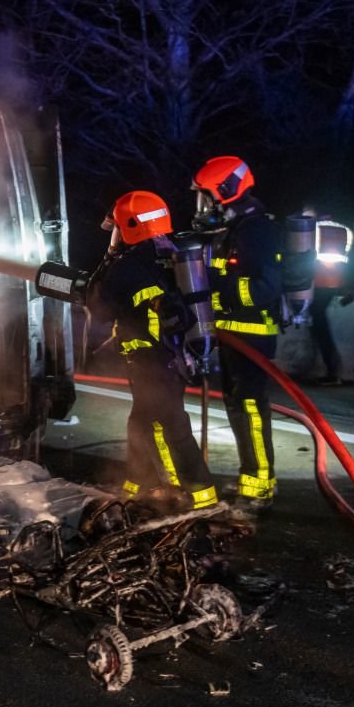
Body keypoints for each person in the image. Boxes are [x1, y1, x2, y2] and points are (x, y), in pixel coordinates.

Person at [88, 190, 220, 512]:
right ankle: (139, 484)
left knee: (171, 426)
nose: (115, 234)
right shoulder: (171, 254)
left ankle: (200, 497)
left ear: (132, 227)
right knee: (142, 423)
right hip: (175, 357)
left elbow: (100, 308)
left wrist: (107, 258)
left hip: (150, 360)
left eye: (118, 227)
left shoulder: (128, 267)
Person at [191, 156, 283, 513]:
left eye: (208, 196)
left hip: (252, 335)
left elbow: (264, 288)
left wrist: (213, 284)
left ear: (227, 190)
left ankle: (260, 485)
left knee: (250, 410)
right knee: (237, 408)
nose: (204, 205)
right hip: (232, 334)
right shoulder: (236, 226)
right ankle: (251, 478)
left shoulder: (256, 230)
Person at [304, 207, 354, 384]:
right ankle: (327, 367)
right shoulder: (346, 231)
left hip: (315, 281)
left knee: (319, 324)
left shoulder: (313, 228)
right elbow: (351, 259)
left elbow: (303, 256)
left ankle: (332, 370)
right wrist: (350, 287)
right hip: (336, 283)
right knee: (318, 322)